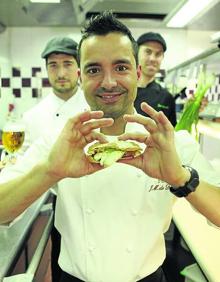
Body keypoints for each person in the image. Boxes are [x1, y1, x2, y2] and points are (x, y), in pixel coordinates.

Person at [0, 11, 220, 282]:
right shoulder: (59, 140)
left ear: (137, 73)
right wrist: (49, 172)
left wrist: (181, 178)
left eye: (121, 67)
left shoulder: (169, 143)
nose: (108, 82)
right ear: (81, 77)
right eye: (94, 70)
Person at [21, 36, 87, 282]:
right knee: (62, 267)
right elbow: (25, 161)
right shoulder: (33, 116)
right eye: (53, 65)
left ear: (78, 67)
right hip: (57, 207)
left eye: (67, 64)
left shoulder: (94, 108)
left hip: (92, 199)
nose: (61, 72)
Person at [134, 32, 177, 126]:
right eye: (148, 52)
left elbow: (171, 134)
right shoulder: (122, 91)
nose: (153, 58)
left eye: (158, 54)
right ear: (136, 53)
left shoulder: (167, 97)